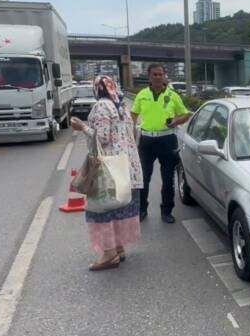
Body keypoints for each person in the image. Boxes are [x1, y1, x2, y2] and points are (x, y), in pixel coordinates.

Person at [70, 76, 144, 271]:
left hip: (108, 169)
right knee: (118, 208)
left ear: (98, 89)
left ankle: (109, 254)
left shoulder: (102, 106)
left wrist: (82, 127)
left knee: (100, 210)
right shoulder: (122, 105)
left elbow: (101, 137)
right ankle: (118, 248)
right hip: (128, 167)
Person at [131, 63, 192, 224]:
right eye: (155, 74)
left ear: (165, 76)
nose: (158, 77)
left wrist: (176, 121)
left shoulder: (173, 95)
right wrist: (132, 132)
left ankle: (166, 211)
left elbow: (186, 114)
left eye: (161, 74)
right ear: (149, 76)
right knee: (143, 178)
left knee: (168, 179)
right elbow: (133, 114)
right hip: (146, 141)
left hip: (167, 140)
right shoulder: (142, 95)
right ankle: (141, 209)